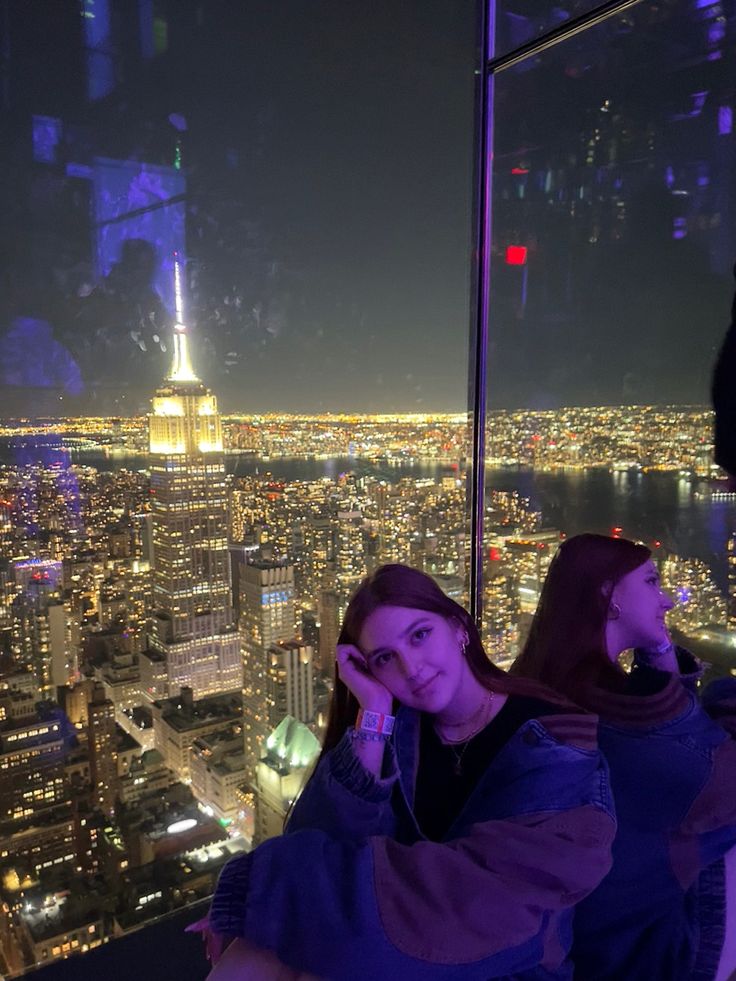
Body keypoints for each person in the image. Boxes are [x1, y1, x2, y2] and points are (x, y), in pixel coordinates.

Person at [193, 563, 615, 981]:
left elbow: (473, 905)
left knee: (282, 949)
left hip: (508, 965)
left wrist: (257, 888)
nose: (410, 669)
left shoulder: (556, 741)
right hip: (406, 948)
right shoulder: (402, 729)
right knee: (264, 950)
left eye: (419, 635)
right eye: (384, 658)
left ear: (458, 627)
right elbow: (321, 837)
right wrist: (374, 711)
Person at [511, 533, 736, 981]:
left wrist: (659, 651)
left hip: (595, 938)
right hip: (651, 952)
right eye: (652, 583)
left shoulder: (543, 684)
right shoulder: (623, 722)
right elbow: (714, 780)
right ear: (608, 595)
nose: (668, 600)